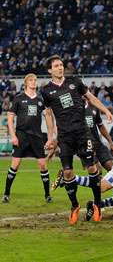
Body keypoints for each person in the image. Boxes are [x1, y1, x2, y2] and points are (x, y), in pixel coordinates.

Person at [41, 55, 113, 225]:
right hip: (65, 137)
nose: (60, 68)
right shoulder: (46, 91)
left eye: (61, 65)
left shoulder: (74, 81)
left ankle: (97, 204)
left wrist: (105, 110)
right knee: (67, 172)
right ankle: (74, 206)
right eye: (56, 66)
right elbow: (49, 115)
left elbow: (91, 98)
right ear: (50, 70)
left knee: (92, 168)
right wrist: (51, 138)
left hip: (82, 133)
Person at [2, 74, 54, 203]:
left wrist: (50, 137)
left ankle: (47, 195)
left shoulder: (41, 100)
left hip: (37, 137)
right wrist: (13, 136)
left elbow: (48, 117)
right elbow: (10, 118)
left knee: (43, 165)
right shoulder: (18, 98)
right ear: (26, 83)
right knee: (15, 164)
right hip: (21, 136)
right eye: (31, 80)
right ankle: (6, 193)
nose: (34, 82)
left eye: (35, 80)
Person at [52, 99, 113, 195]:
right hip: (84, 145)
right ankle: (71, 179)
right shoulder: (72, 110)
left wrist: (111, 142)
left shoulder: (94, 108)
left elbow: (100, 126)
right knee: (98, 173)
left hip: (98, 144)